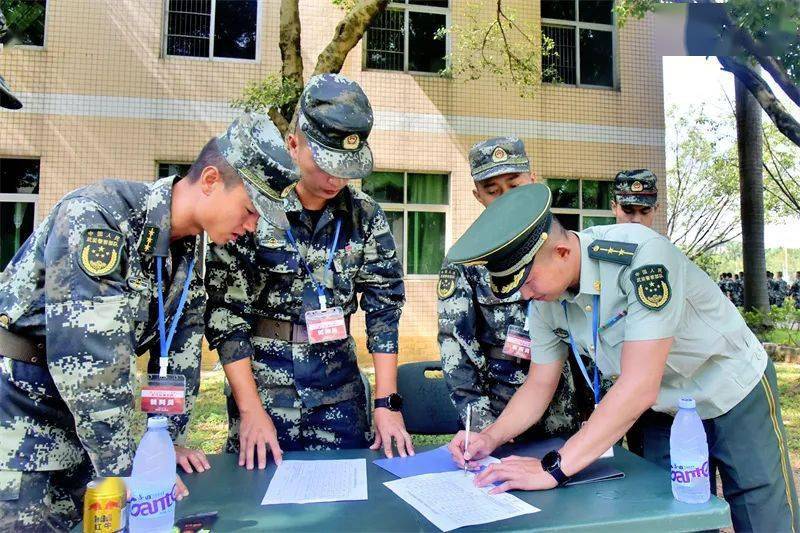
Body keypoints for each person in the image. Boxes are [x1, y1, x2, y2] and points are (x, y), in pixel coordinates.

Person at [445, 183, 798, 533]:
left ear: (563, 252)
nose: (525, 293)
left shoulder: (641, 258)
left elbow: (639, 384)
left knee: (762, 513)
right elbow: (539, 384)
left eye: (528, 280)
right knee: (670, 518)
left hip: (730, 387)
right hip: (663, 408)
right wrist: (489, 438)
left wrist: (553, 468)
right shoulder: (545, 300)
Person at [0, 118, 291, 529]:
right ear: (210, 180)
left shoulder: (190, 251)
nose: (252, 227)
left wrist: (165, 442)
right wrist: (126, 469)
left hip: (82, 434)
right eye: (249, 210)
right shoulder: (98, 218)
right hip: (21, 422)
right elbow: (92, 366)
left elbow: (181, 353)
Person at [205, 74, 410, 471]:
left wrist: (387, 404)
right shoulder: (253, 209)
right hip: (265, 397)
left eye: (347, 166)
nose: (336, 179)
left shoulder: (364, 215)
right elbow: (225, 316)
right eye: (326, 164)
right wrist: (250, 410)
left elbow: (385, 310)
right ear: (293, 144)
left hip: (341, 397)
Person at [438, 137, 587, 439]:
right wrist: (481, 429)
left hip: (567, 409)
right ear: (477, 196)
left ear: (533, 180)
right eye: (493, 191)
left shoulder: (562, 244)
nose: (506, 198)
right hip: (501, 412)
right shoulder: (466, 260)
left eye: (514, 186)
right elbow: (457, 349)